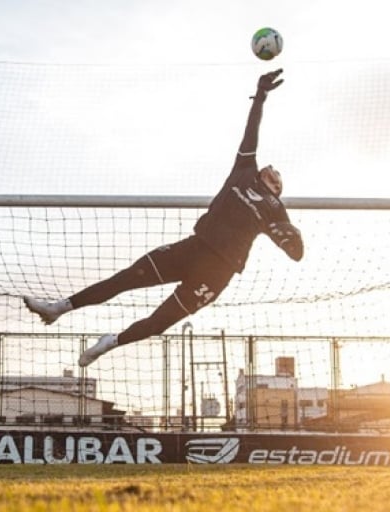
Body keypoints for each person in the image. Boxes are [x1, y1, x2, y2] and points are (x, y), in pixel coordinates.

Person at [24, 69, 303, 367]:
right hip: (193, 248)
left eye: (278, 178)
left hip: (217, 273)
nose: (273, 172)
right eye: (271, 169)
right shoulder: (245, 169)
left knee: (160, 321)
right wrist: (260, 95)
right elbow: (251, 131)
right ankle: (58, 309)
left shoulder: (275, 208)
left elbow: (296, 253)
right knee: (125, 279)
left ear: (279, 190)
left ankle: (110, 343)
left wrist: (292, 240)